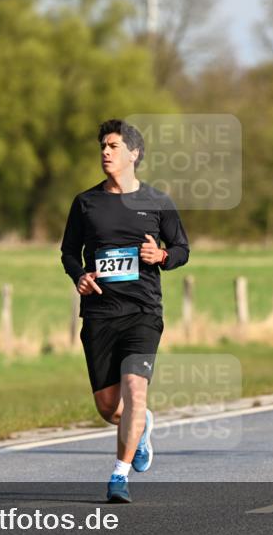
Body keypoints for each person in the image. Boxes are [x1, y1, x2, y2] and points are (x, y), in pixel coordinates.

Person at [60, 119, 190, 503]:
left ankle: (119, 474)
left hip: (143, 312)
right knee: (107, 408)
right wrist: (79, 276)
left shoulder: (157, 201)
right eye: (102, 146)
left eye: (113, 146)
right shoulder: (86, 203)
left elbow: (182, 249)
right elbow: (68, 251)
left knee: (136, 390)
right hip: (100, 314)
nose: (105, 152)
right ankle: (142, 426)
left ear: (134, 153)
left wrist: (162, 255)